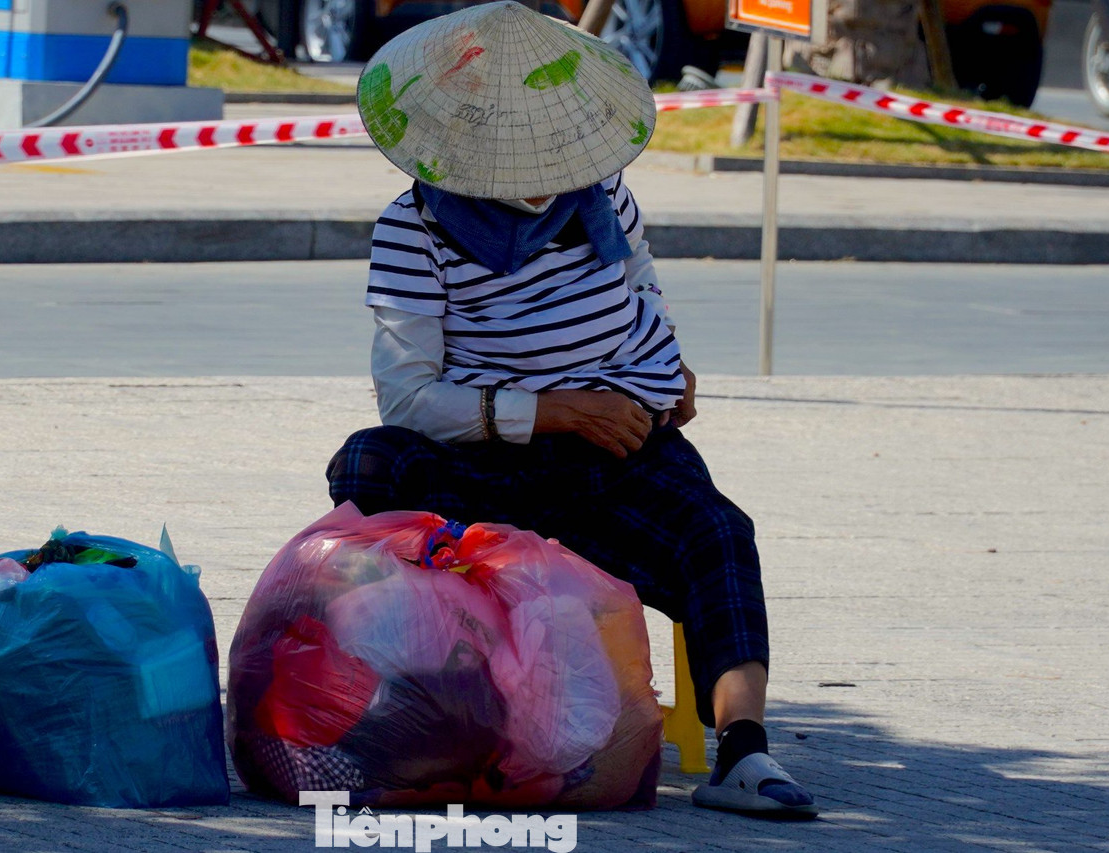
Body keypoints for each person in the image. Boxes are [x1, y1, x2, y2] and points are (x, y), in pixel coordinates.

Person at [327, 0, 817, 818]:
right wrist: (551, 410)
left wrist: (665, 368)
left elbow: (644, 288)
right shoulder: (414, 231)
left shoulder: (603, 199)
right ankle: (437, 695)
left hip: (615, 451)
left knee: (720, 534)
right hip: (490, 467)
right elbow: (410, 397)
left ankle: (742, 750)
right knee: (368, 461)